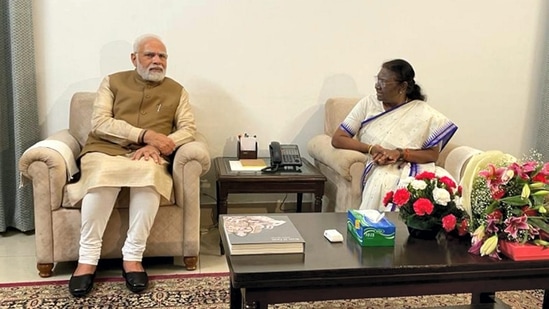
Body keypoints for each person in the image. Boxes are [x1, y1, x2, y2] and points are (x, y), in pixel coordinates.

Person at [66, 34, 196, 297]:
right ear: (134, 58)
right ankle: (87, 259)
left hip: (148, 153)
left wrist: (158, 144)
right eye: (150, 55)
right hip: (105, 149)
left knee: (149, 176)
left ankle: (133, 257)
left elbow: (188, 129)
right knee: (103, 177)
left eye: (162, 56)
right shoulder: (112, 82)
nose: (157, 61)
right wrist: (143, 135)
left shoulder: (177, 90)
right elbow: (100, 122)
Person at [331, 59, 457, 211]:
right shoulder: (368, 104)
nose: (377, 85)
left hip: (415, 164)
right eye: (377, 79)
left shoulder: (424, 112)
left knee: (441, 185)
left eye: (384, 81)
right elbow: (338, 139)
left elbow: (432, 155)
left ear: (402, 86)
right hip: (380, 164)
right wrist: (372, 149)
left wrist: (400, 153)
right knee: (385, 180)